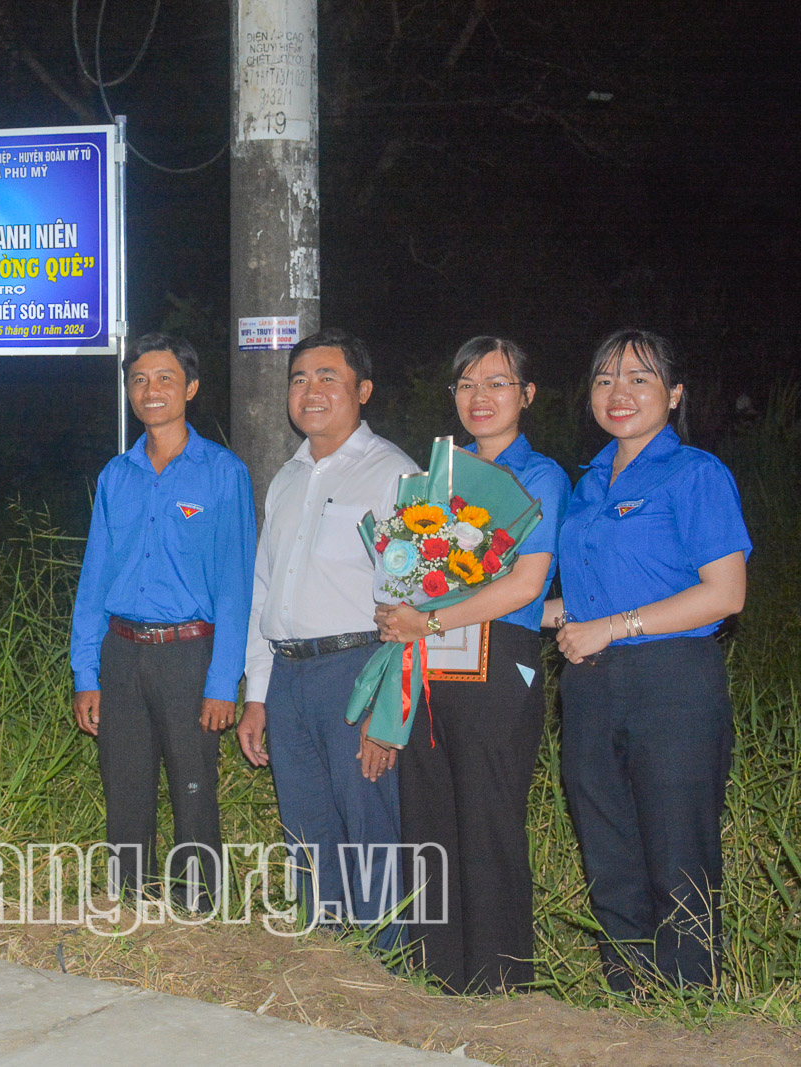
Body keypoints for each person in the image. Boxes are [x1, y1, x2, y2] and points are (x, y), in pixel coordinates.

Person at [542, 329, 749, 991]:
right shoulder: (586, 482)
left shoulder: (695, 473)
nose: (620, 393)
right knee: (608, 848)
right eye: (605, 379)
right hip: (590, 686)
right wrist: (469, 604)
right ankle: (629, 995)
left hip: (672, 680)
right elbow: (575, 601)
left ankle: (689, 1005)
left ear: (674, 393)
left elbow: (725, 591)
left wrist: (614, 625)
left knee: (677, 851)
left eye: (639, 378)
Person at [372, 337, 570, 992]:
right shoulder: (438, 478)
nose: (479, 397)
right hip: (432, 663)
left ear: (527, 395)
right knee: (428, 818)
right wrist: (398, 604)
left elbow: (523, 586)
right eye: (466, 384)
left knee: (487, 823)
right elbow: (409, 573)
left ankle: (499, 986)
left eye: (497, 383)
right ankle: (438, 978)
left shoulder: (539, 477)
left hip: (498, 663)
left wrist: (425, 619)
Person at [237, 329, 419, 938]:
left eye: (327, 377)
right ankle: (327, 972)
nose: (309, 391)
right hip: (288, 676)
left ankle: (389, 972)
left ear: (362, 390)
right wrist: (257, 694)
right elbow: (265, 591)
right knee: (309, 832)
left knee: (371, 828)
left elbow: (416, 601)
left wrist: (389, 713)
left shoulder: (395, 475)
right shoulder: (285, 478)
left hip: (358, 672)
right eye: (298, 379)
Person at [69, 333, 255, 911]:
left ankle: (199, 911)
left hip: (188, 654)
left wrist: (224, 683)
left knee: (194, 790)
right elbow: (94, 579)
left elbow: (236, 585)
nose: (151, 391)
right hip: (121, 651)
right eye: (140, 380)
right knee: (124, 789)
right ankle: (131, 905)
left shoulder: (223, 473)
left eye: (166, 378)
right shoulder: (116, 475)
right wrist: (85, 672)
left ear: (191, 388)